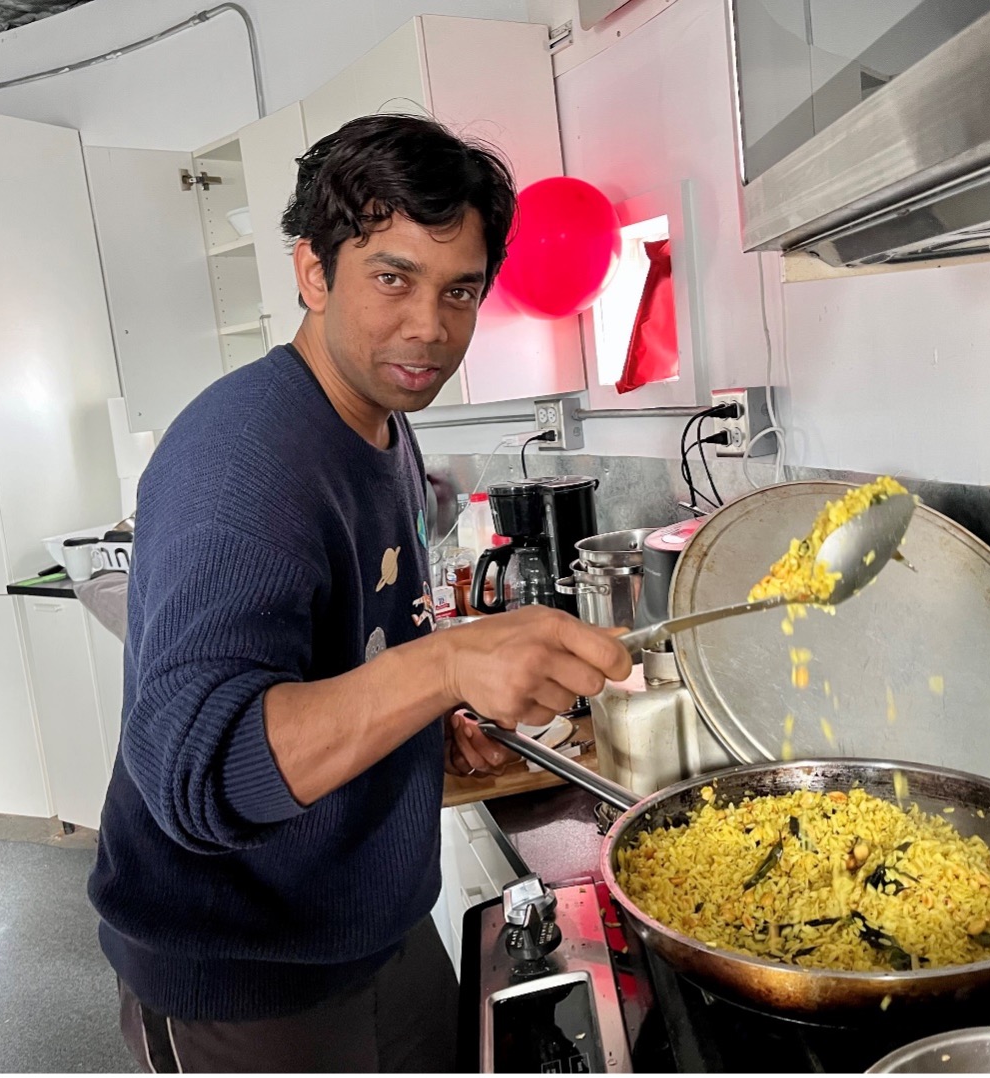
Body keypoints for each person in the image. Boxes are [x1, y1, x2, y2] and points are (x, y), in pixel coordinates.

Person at [88, 113, 632, 1073]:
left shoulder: (381, 421)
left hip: (367, 923)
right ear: (312, 271)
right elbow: (198, 774)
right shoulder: (243, 458)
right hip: (248, 977)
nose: (430, 327)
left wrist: (429, 717)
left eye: (459, 289)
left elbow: (353, 662)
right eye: (393, 277)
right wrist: (449, 662)